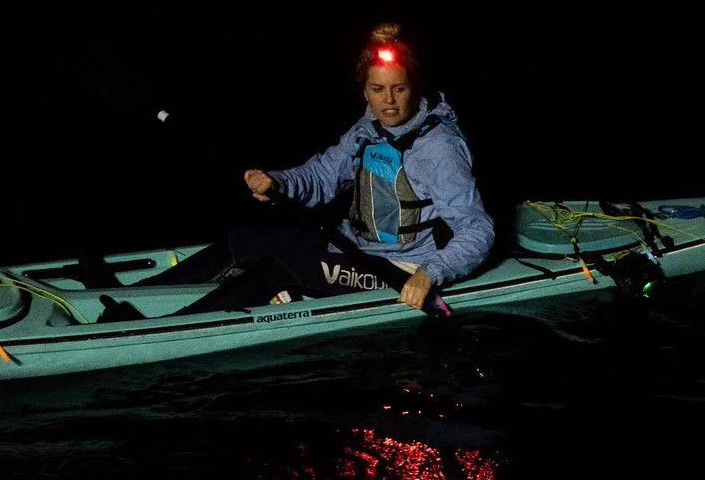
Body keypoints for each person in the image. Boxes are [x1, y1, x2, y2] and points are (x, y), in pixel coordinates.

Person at [158, 24, 493, 314]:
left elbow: (478, 229)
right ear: (365, 90)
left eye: (399, 88)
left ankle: (171, 330)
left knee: (284, 262)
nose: (388, 101)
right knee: (243, 239)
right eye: (377, 89)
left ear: (415, 88)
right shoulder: (369, 128)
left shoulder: (439, 149)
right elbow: (321, 176)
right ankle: (142, 293)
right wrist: (278, 181)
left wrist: (429, 274)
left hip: (402, 268)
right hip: (356, 249)